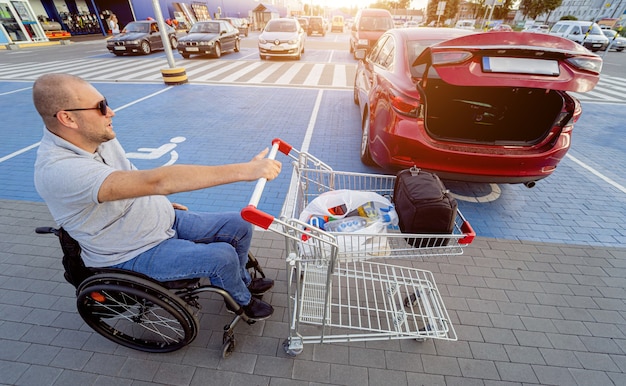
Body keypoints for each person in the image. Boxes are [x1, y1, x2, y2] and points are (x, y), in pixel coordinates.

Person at [32, 73, 281, 320]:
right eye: (101, 107)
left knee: (239, 225)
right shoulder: (59, 170)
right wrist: (245, 171)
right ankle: (240, 301)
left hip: (161, 219)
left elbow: (129, 180)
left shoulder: (95, 137)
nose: (111, 112)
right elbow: (158, 181)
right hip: (134, 250)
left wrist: (157, 204)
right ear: (67, 118)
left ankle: (240, 281)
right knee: (221, 255)